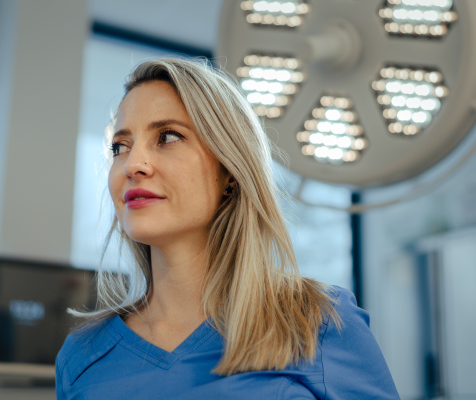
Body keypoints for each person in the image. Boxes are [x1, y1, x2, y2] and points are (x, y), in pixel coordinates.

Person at [55, 58, 400, 399]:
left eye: (168, 136)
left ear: (230, 171)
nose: (133, 165)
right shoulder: (81, 357)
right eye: (120, 147)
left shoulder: (320, 322)